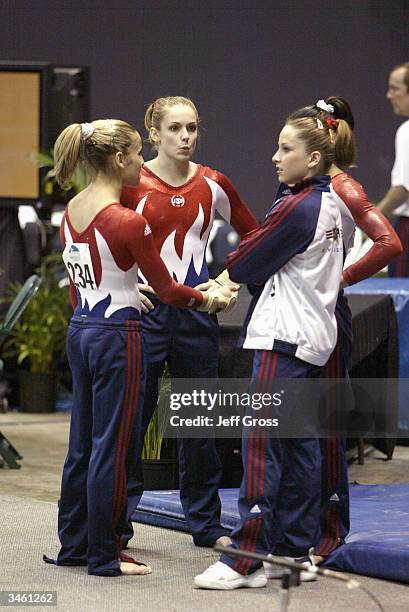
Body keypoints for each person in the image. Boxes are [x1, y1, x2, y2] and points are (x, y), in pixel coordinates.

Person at [43, 119, 235, 578]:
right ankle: (105, 555)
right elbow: (169, 289)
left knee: (82, 446)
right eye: (133, 155)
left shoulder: (72, 209)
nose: (139, 165)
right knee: (112, 446)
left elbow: (87, 277)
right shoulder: (128, 220)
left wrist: (128, 287)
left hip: (82, 329)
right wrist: (209, 297)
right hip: (118, 337)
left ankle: (74, 545)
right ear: (119, 160)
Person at [194, 115, 346, 590]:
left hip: (282, 339)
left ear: (314, 158)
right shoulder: (332, 203)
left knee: (261, 448)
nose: (275, 158)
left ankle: (246, 558)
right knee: (299, 447)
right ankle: (291, 551)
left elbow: (243, 260)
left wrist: (239, 265)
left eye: (285, 149)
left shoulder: (299, 207)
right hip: (312, 337)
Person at [120, 96, 259, 549]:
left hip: (197, 312)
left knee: (198, 424)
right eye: (176, 128)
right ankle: (117, 525)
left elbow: (257, 237)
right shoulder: (132, 184)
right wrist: (123, 286)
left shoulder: (214, 182)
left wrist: (225, 277)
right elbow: (99, 237)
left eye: (193, 128)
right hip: (146, 315)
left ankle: (206, 525)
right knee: (134, 419)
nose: (186, 137)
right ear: (153, 134)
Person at [281, 98, 402, 563]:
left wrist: (343, 277)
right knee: (295, 421)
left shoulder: (342, 187)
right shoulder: (300, 185)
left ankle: (329, 531)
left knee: (326, 421)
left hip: (328, 314)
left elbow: (389, 242)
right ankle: (295, 526)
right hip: (296, 315)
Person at [378, 62, 409, 276]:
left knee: (402, 303)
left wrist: (371, 218)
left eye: (395, 88)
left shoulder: (407, 131)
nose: (389, 95)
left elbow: (402, 190)